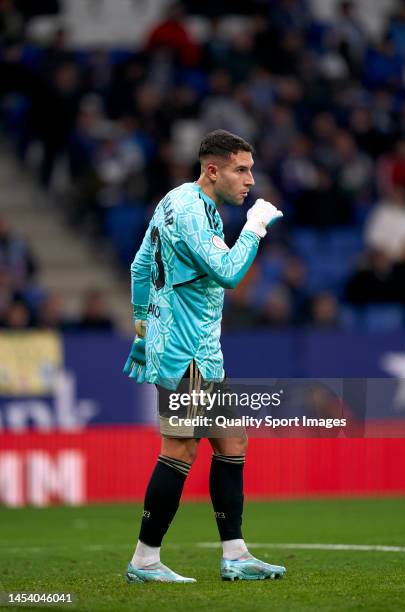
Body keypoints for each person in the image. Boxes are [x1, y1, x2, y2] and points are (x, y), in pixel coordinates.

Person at [124, 129, 286, 583]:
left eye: (250, 170)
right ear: (212, 170)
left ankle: (235, 554)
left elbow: (140, 265)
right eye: (241, 169)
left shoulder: (174, 200)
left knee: (232, 440)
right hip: (186, 350)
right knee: (179, 447)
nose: (250, 180)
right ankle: (145, 560)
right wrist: (255, 227)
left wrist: (141, 322)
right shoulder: (195, 215)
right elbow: (230, 273)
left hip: (198, 348)